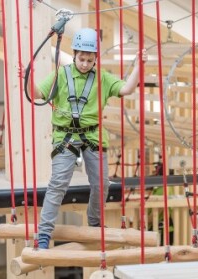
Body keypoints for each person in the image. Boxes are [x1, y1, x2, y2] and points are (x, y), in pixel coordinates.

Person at [26, 28, 147, 249]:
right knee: (58, 184)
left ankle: (95, 222)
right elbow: (36, 93)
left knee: (101, 184)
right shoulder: (62, 75)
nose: (84, 64)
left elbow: (128, 89)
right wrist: (28, 76)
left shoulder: (102, 78)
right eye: (81, 59)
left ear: (95, 59)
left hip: (93, 135)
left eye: (89, 60)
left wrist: (139, 65)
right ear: (74, 54)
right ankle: (44, 233)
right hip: (65, 136)